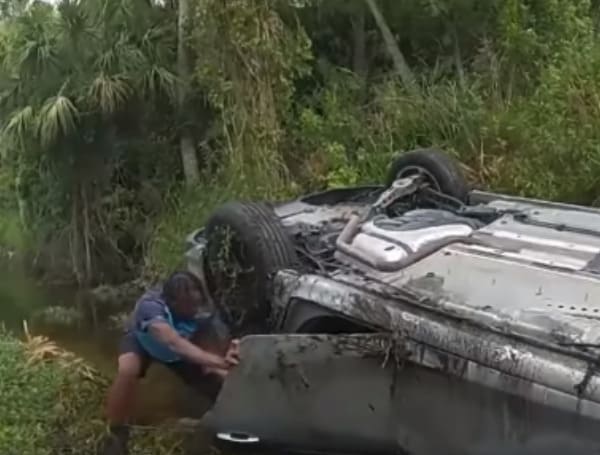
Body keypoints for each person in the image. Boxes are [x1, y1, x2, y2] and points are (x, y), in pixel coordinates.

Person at [99, 271, 240, 455]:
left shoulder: (205, 311)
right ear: (172, 303)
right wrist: (219, 362)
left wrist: (229, 360)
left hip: (182, 348)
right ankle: (115, 433)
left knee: (216, 378)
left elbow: (216, 350)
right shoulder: (151, 307)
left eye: (197, 303)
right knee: (128, 370)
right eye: (188, 306)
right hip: (144, 340)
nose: (194, 310)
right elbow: (172, 341)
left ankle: (228, 425)